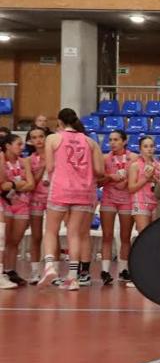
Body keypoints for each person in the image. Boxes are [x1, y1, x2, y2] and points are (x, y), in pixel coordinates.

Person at [36, 109, 104, 290]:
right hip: (83, 191)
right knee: (75, 233)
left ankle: (50, 265)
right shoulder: (90, 142)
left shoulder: (53, 139)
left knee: (51, 230)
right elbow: (99, 170)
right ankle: (72, 277)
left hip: (60, 188)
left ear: (59, 122)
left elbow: (50, 166)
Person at [98, 130, 134, 286]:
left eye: (116, 139)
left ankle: (123, 270)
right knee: (107, 235)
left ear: (124, 141)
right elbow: (98, 181)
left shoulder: (133, 158)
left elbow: (134, 178)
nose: (112, 142)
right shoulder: (105, 158)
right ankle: (105, 271)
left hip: (127, 199)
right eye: (110, 140)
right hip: (108, 199)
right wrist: (110, 177)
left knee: (125, 236)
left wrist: (125, 181)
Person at [0, 133, 33, 287]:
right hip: (6, 203)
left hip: (22, 204)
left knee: (15, 241)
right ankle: (2, 272)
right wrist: (18, 184)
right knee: (4, 240)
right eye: (18, 144)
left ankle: (10, 270)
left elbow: (31, 184)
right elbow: (2, 186)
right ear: (7, 146)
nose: (22, 147)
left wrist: (12, 185)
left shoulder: (24, 161)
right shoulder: (2, 161)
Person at [20, 127, 48, 283]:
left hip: (53, 198)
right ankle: (35, 271)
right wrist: (43, 166)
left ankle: (54, 271)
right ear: (30, 141)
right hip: (36, 198)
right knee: (36, 236)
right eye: (34, 137)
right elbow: (33, 183)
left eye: (41, 136)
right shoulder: (29, 160)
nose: (38, 140)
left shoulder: (56, 157)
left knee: (53, 235)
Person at [126, 135, 160, 242]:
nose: (149, 149)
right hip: (140, 202)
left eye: (151, 146)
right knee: (144, 235)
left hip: (156, 202)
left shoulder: (158, 165)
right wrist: (145, 178)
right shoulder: (135, 166)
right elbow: (131, 188)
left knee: (156, 234)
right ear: (140, 149)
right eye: (145, 146)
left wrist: (154, 179)